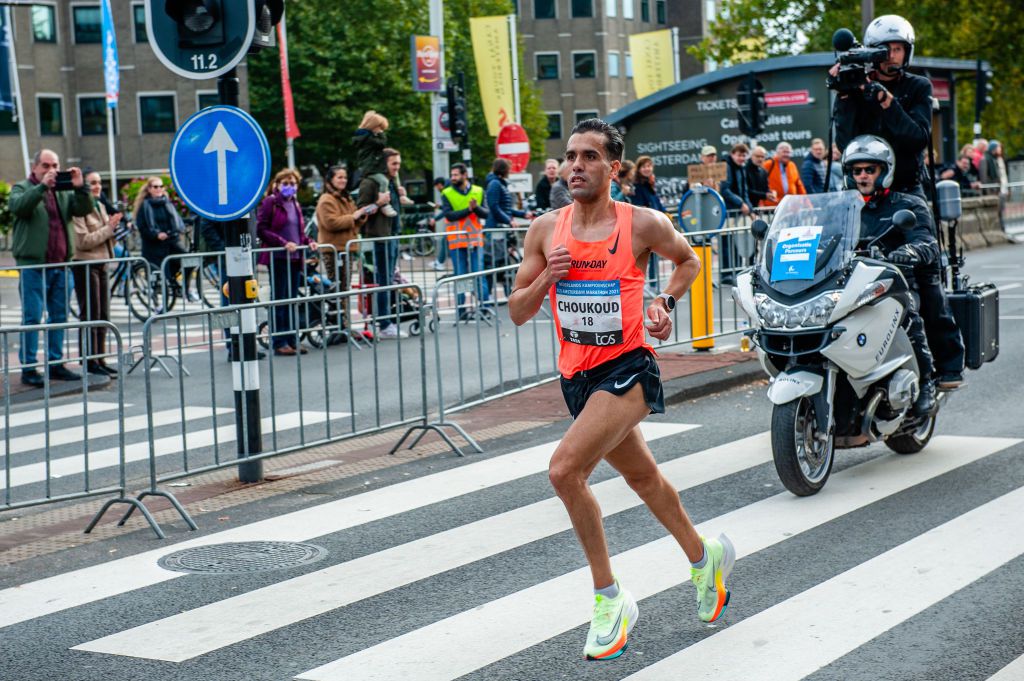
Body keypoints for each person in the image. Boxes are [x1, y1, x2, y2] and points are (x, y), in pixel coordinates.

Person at [509, 118, 735, 661]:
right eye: (570, 156)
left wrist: (666, 303)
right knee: (642, 477)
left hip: (629, 366)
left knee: (565, 470)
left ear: (613, 168)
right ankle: (705, 559)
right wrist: (546, 280)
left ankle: (610, 598)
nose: (576, 166)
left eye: (589, 157)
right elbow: (518, 310)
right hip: (577, 377)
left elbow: (689, 260)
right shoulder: (545, 230)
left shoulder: (642, 224)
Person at [844, 135, 938, 414]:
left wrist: (908, 252)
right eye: (856, 170)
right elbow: (822, 238)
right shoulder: (843, 207)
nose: (862, 176)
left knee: (907, 316)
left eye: (869, 170)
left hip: (893, 285)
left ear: (884, 171)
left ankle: (927, 381)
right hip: (850, 285)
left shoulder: (906, 205)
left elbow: (927, 242)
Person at [8, 149, 93, 386]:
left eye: (55, 165)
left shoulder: (62, 192)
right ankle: (29, 368)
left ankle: (56, 364)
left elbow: (84, 209)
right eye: (45, 165)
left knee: (59, 316)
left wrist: (81, 187)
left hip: (61, 264)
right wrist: (42, 187)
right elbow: (19, 207)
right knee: (32, 318)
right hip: (34, 266)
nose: (51, 170)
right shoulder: (23, 188)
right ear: (35, 168)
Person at [833, 15, 931, 199]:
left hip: (906, 189)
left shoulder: (919, 86)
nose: (891, 56)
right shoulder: (858, 87)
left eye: (897, 49)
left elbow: (918, 139)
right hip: (864, 191)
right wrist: (844, 95)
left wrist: (886, 100)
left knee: (920, 226)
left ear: (907, 52)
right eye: (884, 50)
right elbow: (846, 144)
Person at [256, 168, 318, 355]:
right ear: (277, 185)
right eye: (286, 183)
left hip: (295, 258)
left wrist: (309, 242)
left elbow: (298, 232)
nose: (289, 187)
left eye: (293, 184)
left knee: (292, 300)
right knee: (280, 300)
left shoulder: (295, 204)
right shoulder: (270, 202)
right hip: (278, 257)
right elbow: (262, 229)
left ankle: (292, 340)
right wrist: (283, 243)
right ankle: (279, 341)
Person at [71, 170, 123, 377]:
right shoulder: (79, 209)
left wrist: (114, 230)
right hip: (85, 263)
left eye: (100, 183)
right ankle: (89, 360)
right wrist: (110, 228)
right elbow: (83, 241)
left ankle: (100, 358)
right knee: (90, 313)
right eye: (92, 183)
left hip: (102, 262)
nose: (97, 186)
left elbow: (105, 237)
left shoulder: (100, 205)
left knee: (103, 314)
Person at [316, 164, 375, 339]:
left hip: (346, 248)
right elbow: (331, 223)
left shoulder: (345, 198)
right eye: (339, 177)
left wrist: (361, 215)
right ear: (330, 181)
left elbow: (352, 222)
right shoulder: (326, 199)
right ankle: (337, 327)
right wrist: (354, 217)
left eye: (345, 177)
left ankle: (344, 325)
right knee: (337, 289)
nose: (343, 180)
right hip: (334, 250)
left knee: (344, 289)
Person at [133, 176, 198, 304]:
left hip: (171, 241)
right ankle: (161, 294)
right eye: (155, 186)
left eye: (161, 186)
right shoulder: (144, 206)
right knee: (160, 272)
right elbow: (142, 227)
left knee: (190, 260)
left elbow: (176, 221)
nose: (159, 189)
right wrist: (156, 235)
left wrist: (185, 225)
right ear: (149, 189)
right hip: (154, 246)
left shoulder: (167, 203)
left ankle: (185, 288)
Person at [441, 163, 490, 315]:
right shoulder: (447, 193)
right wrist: (468, 210)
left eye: (455, 175)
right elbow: (448, 215)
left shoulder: (478, 191)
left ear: (464, 175)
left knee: (478, 273)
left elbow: (486, 214)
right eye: (452, 175)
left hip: (475, 240)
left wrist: (475, 208)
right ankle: (461, 310)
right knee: (461, 276)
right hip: (457, 241)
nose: (453, 178)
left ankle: (484, 307)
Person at [352, 110, 407, 218]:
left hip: (388, 230)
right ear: (373, 126)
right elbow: (382, 143)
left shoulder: (366, 137)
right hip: (371, 169)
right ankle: (385, 204)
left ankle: (401, 197)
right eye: (380, 128)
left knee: (391, 177)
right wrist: (379, 204)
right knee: (383, 181)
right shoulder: (370, 139)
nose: (381, 131)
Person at [632, 155, 666, 296]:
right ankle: (645, 285)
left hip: (655, 224)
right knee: (645, 256)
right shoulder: (637, 186)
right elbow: (640, 206)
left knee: (654, 256)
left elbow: (656, 202)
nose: (647, 169)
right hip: (645, 226)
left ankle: (653, 283)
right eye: (644, 166)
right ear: (639, 169)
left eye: (649, 166)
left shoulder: (651, 183)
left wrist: (664, 213)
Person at [761, 142, 806, 207]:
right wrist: (761, 204)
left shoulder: (792, 165)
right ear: (777, 153)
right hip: (772, 206)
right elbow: (759, 185)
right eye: (784, 152)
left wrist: (807, 204)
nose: (786, 154)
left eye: (788, 152)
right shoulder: (768, 164)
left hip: (791, 207)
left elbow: (799, 186)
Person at [428, 177, 449, 272]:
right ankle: (440, 262)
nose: (437, 189)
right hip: (456, 224)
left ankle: (440, 262)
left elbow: (447, 210)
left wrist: (435, 219)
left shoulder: (446, 192)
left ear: (440, 185)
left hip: (454, 224)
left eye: (437, 187)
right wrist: (439, 206)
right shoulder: (451, 190)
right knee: (446, 241)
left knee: (445, 241)